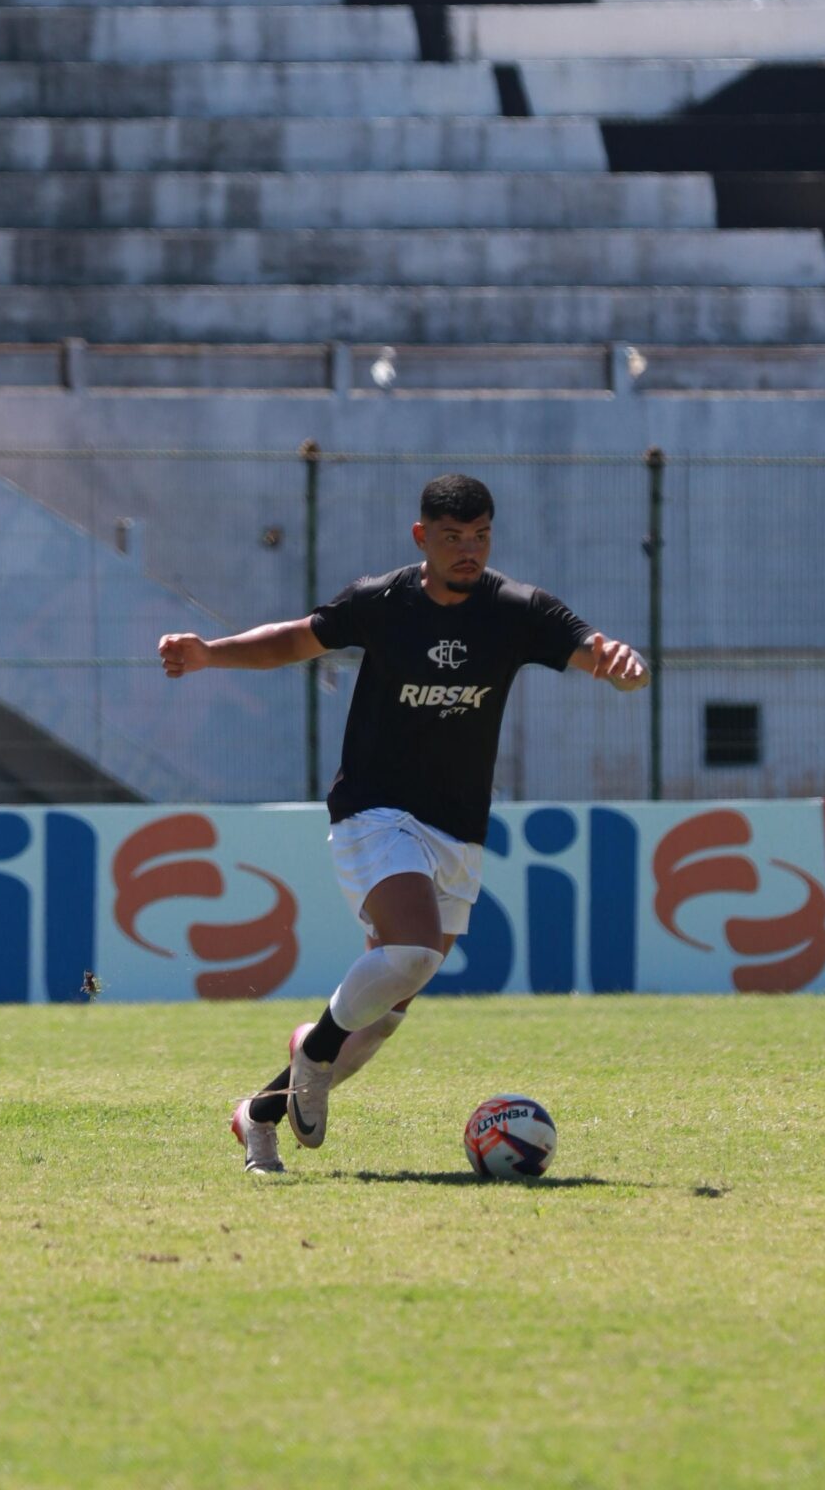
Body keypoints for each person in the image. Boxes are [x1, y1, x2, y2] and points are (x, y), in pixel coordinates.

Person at [157, 474, 649, 1174]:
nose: (467, 551)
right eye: (451, 538)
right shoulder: (381, 602)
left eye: (478, 536)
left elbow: (596, 652)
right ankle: (314, 1051)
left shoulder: (516, 609)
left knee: (384, 1015)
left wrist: (623, 669)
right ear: (422, 537)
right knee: (411, 955)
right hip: (374, 811)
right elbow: (294, 641)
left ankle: (258, 1115)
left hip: (457, 829)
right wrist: (210, 652)